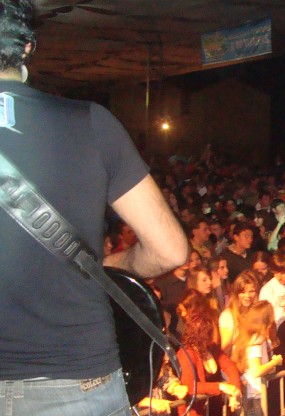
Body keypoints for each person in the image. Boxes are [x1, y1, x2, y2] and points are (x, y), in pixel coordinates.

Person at [0, 2, 189, 414]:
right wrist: (105, 265)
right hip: (75, 383)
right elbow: (170, 250)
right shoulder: (89, 122)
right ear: (27, 47)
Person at [176, 313, 242, 416]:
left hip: (214, 408)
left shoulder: (211, 348)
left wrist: (234, 391)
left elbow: (230, 367)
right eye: (208, 333)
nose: (212, 337)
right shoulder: (186, 354)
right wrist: (220, 386)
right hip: (195, 411)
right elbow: (189, 386)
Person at [232, 301, 284, 416]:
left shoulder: (248, 336)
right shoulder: (256, 341)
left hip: (251, 394)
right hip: (254, 396)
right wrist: (274, 362)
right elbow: (256, 371)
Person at [219, 271, 261, 357]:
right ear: (236, 293)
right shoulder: (227, 316)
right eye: (243, 292)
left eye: (251, 291)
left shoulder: (259, 313)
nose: (248, 296)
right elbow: (226, 349)